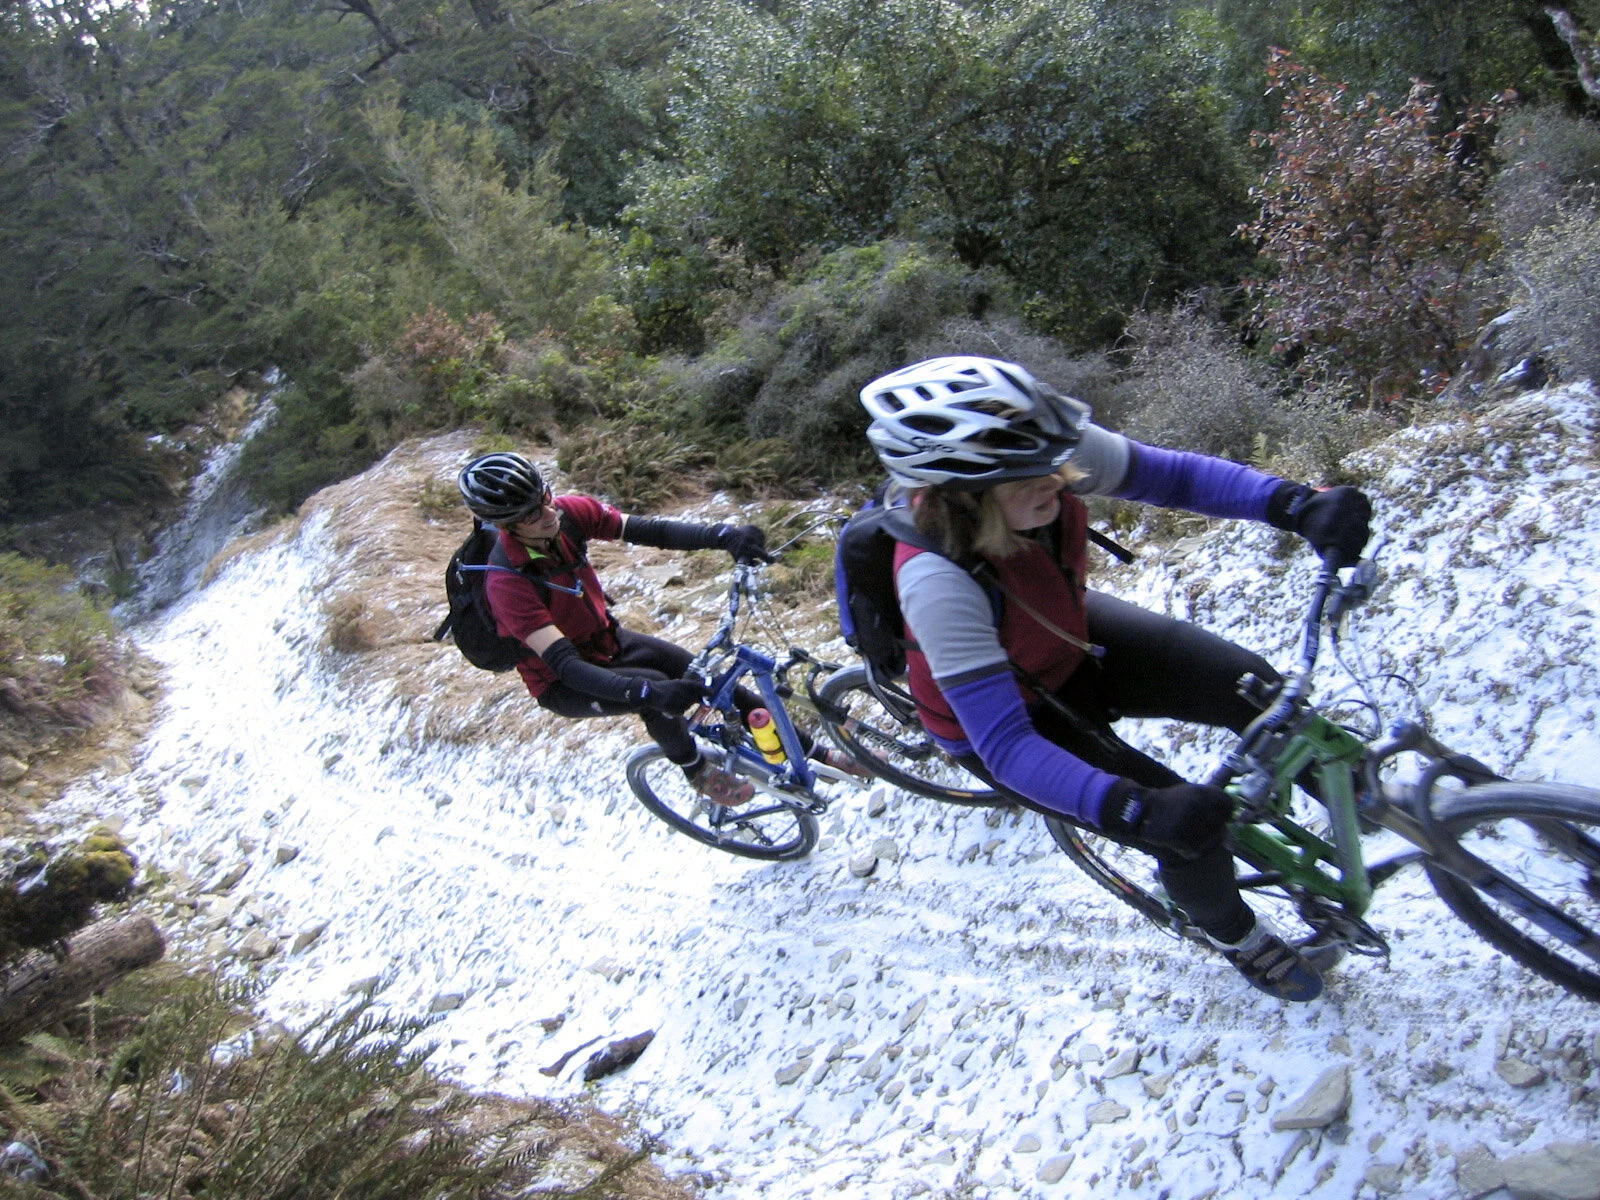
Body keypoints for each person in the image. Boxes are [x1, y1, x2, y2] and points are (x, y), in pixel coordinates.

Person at [860, 356, 1372, 1001]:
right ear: (964, 494)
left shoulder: (1038, 451)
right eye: (1030, 481)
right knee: (1190, 834)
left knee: (1251, 687)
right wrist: (1136, 809)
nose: (1057, 480)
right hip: (1011, 713)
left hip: (1063, 633)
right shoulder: (936, 583)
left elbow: (1170, 475)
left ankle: (1372, 802)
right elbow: (1008, 747)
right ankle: (1237, 937)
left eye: (1055, 463)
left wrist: (1292, 504)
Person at [457, 453, 853, 806]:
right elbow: (567, 667)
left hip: (608, 640)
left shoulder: (570, 514)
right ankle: (697, 771)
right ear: (506, 526)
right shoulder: (506, 584)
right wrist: (648, 692)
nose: (548, 514)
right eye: (531, 515)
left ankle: (818, 753)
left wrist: (724, 536)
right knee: (652, 691)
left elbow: (653, 531)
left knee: (713, 681)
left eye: (544, 496)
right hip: (563, 681)